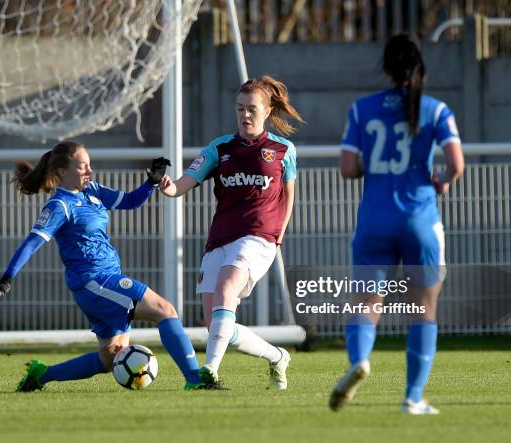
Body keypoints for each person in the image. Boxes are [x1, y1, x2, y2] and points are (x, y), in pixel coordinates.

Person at [0, 141, 215, 391]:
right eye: (82, 167)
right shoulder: (59, 206)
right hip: (94, 282)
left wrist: (151, 183)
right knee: (165, 310)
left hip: (104, 280)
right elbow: (32, 243)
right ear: (61, 173)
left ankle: (41, 375)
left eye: (90, 164)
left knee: (110, 357)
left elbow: (131, 201)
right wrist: (7, 278)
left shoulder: (94, 191)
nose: (89, 171)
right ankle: (195, 379)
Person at [329, 34, 464, 414]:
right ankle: (413, 398)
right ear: (420, 67)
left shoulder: (362, 109)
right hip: (420, 220)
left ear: (386, 69)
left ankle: (359, 360)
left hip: (375, 220)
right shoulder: (436, 110)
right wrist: (441, 181)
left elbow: (348, 168)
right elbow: (456, 164)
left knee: (366, 303)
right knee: (424, 309)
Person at [158, 75, 304, 389]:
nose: (245, 115)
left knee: (227, 288)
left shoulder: (283, 150)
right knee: (218, 326)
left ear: (266, 112)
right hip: (220, 238)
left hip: (258, 237)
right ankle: (277, 356)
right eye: (240, 108)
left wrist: (279, 233)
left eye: (252, 109)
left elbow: (289, 194)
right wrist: (169, 187)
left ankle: (208, 371)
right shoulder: (219, 148)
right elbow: (186, 181)